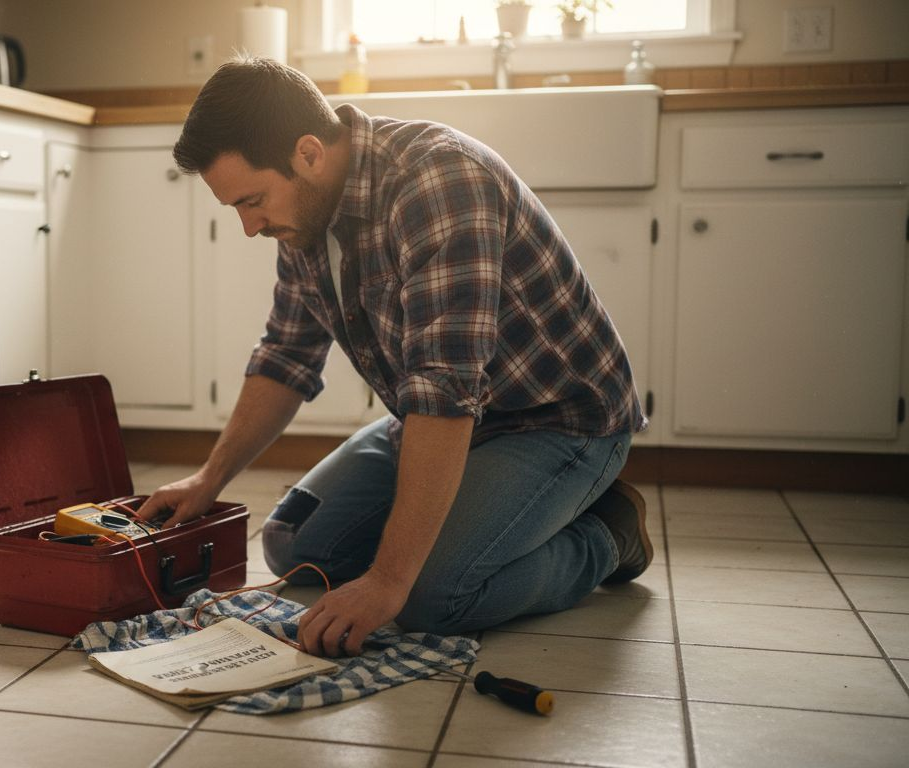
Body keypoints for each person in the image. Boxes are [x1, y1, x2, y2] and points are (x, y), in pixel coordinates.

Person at [135, 56, 651, 658]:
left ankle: (607, 535)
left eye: (252, 201)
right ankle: (482, 517)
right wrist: (210, 478)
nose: (249, 227)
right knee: (293, 542)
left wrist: (387, 580)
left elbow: (444, 389)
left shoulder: (440, 183)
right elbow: (286, 356)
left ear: (308, 153)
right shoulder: (304, 214)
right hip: (437, 416)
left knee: (433, 598)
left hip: (558, 422)